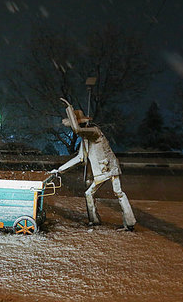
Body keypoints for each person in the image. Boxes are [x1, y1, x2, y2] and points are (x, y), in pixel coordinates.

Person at [50, 98, 136, 231]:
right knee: (89, 193)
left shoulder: (95, 131)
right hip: (101, 172)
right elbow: (79, 158)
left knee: (118, 192)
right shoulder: (85, 139)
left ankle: (129, 224)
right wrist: (59, 170)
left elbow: (77, 130)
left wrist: (69, 108)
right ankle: (94, 220)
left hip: (110, 168)